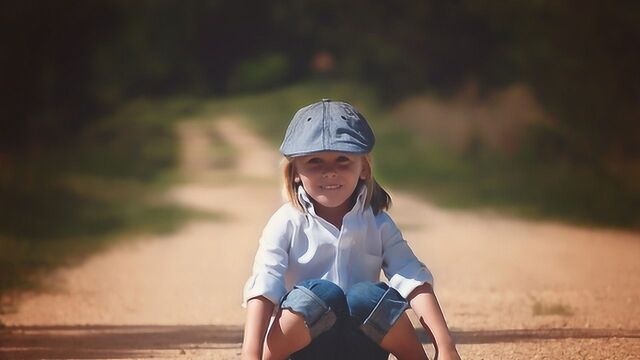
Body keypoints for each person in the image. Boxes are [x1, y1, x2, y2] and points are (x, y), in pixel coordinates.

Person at [241, 99, 460, 360]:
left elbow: (412, 279)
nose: (330, 172)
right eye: (315, 161)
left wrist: (446, 346)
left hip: (362, 349)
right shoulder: (285, 222)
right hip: (305, 351)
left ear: (364, 168)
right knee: (322, 294)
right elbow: (264, 286)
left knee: (366, 295)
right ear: (295, 171)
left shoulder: (378, 223)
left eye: (343, 159)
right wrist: (250, 354)